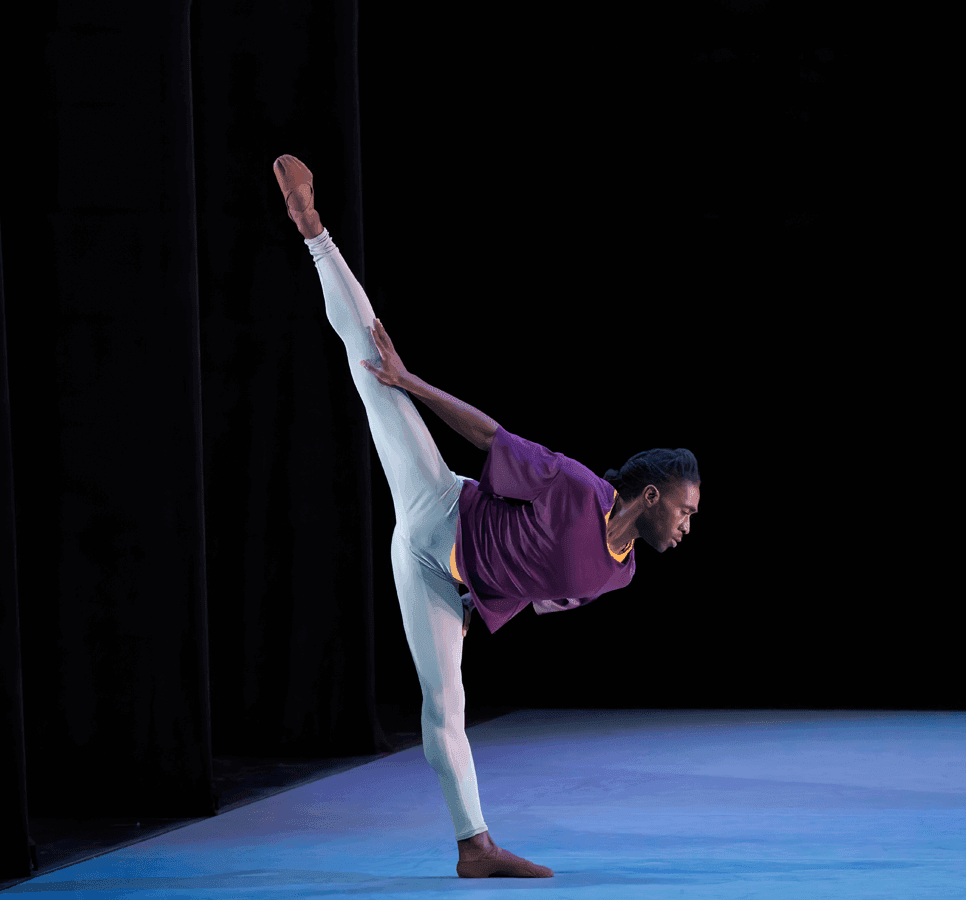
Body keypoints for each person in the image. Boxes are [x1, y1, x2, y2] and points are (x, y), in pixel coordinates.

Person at [272, 155, 700, 878]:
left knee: (445, 709)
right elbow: (487, 435)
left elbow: (542, 589)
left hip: (433, 574)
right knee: (373, 373)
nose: (689, 527)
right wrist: (412, 380)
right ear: (651, 496)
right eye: (686, 511)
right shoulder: (571, 485)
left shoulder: (620, 577)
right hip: (437, 506)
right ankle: (313, 230)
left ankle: (475, 847)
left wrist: (476, 602)